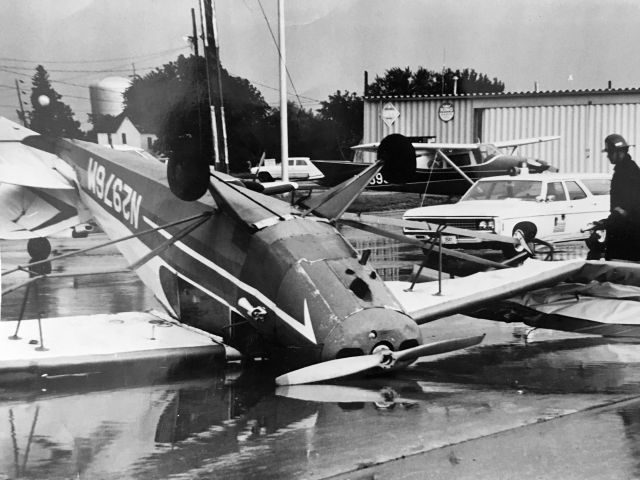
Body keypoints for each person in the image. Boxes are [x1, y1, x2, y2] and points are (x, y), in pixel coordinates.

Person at [599, 134, 640, 261]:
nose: (608, 156)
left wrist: (610, 221)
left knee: (621, 268)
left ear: (619, 152)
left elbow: (628, 206)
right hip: (623, 229)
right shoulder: (625, 170)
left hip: (627, 232)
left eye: (610, 152)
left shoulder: (627, 173)